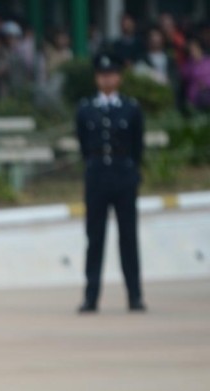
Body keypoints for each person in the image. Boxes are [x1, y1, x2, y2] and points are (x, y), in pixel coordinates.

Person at [75, 53, 146, 313]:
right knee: (95, 238)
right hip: (96, 177)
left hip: (124, 176)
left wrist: (132, 170)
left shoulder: (131, 108)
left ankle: (135, 295)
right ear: (97, 78)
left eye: (112, 74)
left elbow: (137, 144)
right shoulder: (85, 108)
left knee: (128, 237)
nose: (107, 78)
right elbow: (84, 143)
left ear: (118, 77)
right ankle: (91, 296)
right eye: (103, 75)